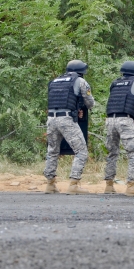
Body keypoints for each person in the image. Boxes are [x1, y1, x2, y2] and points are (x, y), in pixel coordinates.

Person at [43, 60, 95, 195]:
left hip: (51, 119)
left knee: (52, 151)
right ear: (80, 72)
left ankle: (50, 184)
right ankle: (73, 184)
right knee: (81, 151)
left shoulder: (54, 81)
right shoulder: (80, 81)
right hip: (66, 120)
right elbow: (90, 102)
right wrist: (81, 107)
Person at [103, 61, 134, 197]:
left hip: (110, 120)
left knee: (112, 152)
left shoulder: (115, 83)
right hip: (125, 120)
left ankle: (109, 185)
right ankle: (132, 186)